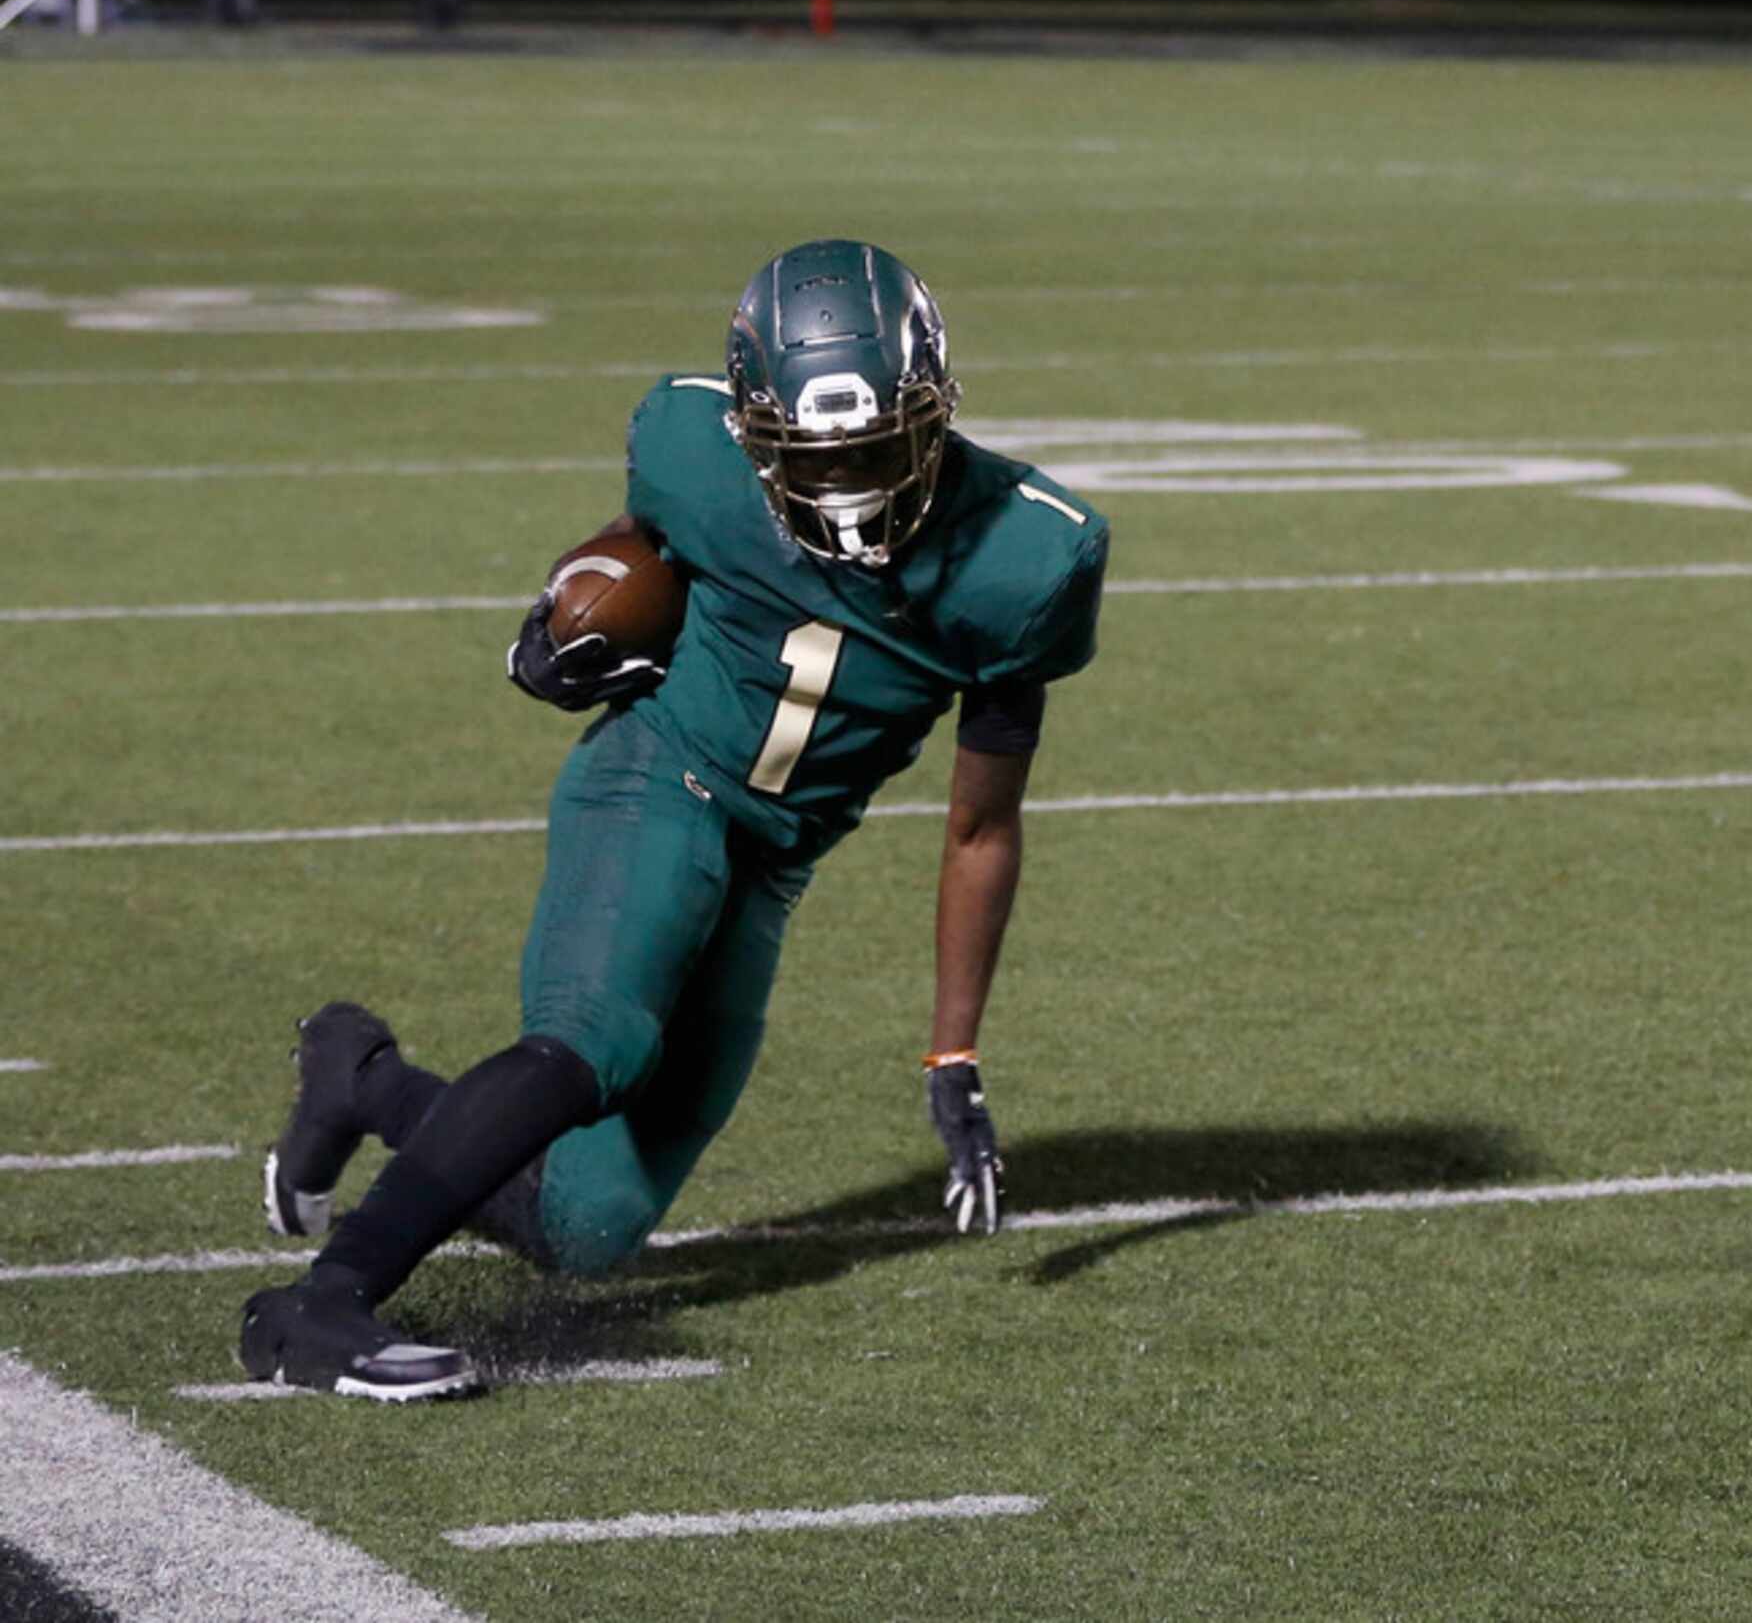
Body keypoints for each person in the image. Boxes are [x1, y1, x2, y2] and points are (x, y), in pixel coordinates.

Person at [238, 238, 1109, 1397]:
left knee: (589, 1228)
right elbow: (635, 551)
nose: (848, 488)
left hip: (774, 860)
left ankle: (361, 1076)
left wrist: (954, 1046)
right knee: (598, 1040)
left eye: (877, 447)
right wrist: (558, 622)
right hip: (658, 777)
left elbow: (980, 825)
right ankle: (318, 1305)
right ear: (756, 433)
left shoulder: (1031, 557)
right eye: (814, 456)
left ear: (936, 406)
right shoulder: (689, 447)